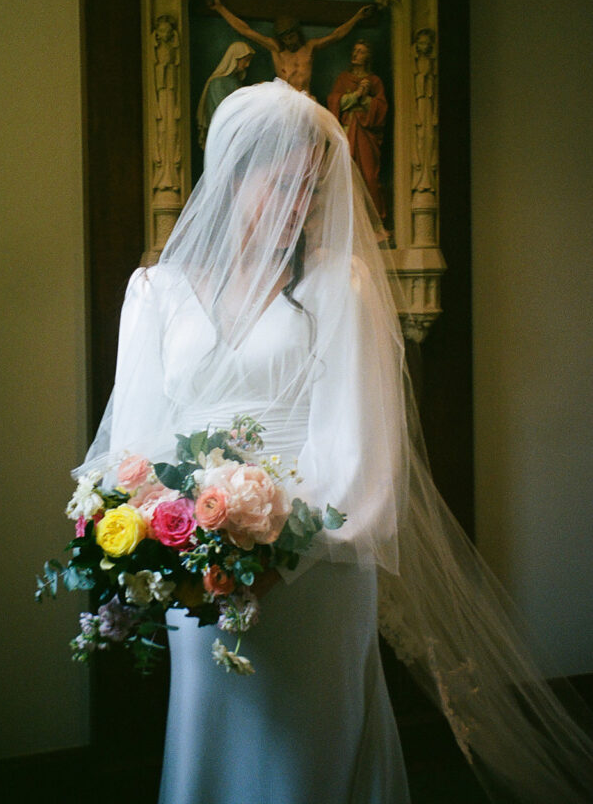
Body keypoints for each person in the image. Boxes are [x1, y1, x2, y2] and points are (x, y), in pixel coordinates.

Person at [78, 81, 593, 804]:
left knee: (310, 755)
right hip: (201, 564)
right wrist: (181, 537)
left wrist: (276, 549)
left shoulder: (337, 286)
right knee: (212, 738)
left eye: (311, 190)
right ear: (230, 174)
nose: (298, 206)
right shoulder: (154, 292)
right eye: (281, 183)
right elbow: (134, 434)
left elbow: (359, 445)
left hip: (316, 560)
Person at [206, 0, 384, 92]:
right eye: (285, 38)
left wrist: (357, 17)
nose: (289, 41)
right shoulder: (276, 49)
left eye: (292, 36)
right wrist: (220, 8)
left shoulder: (310, 47)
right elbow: (246, 30)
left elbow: (337, 35)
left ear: (298, 34)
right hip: (285, 102)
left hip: (306, 99)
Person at [328, 39, 388, 221]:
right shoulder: (343, 79)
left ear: (368, 56)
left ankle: (375, 221)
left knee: (369, 176)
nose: (355, 54)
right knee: (345, 175)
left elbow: (382, 108)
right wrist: (356, 95)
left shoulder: (375, 81)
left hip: (366, 134)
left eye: (360, 51)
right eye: (354, 50)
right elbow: (333, 101)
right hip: (347, 130)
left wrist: (366, 99)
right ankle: (346, 221)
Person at [195, 40, 254, 149]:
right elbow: (225, 110)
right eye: (245, 61)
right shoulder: (217, 83)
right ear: (235, 59)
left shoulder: (236, 81)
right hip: (223, 135)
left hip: (236, 134)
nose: (247, 65)